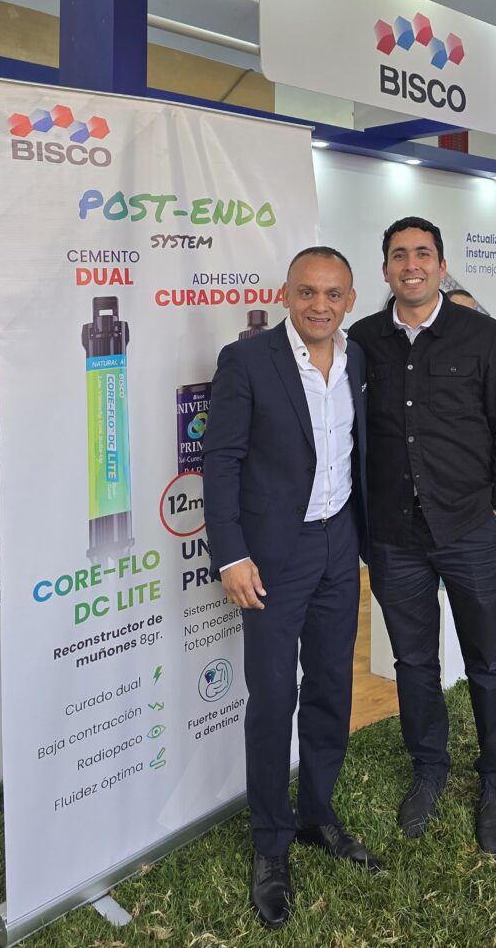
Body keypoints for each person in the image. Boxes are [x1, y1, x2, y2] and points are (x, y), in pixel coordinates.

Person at [202, 247, 380, 930]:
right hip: (276, 553)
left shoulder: (358, 359)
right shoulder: (247, 361)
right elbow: (221, 461)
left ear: (350, 299)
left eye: (333, 294)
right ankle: (271, 843)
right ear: (285, 293)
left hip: (340, 542)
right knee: (275, 697)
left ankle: (317, 814)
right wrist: (231, 553)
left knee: (332, 684)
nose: (320, 305)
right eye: (308, 291)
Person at [348, 216, 496, 855]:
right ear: (385, 269)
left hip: (468, 529)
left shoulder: (480, 335)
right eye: (399, 255)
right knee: (414, 663)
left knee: (487, 662)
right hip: (393, 537)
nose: (411, 265)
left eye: (422, 254)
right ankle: (429, 769)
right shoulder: (361, 341)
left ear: (441, 264)